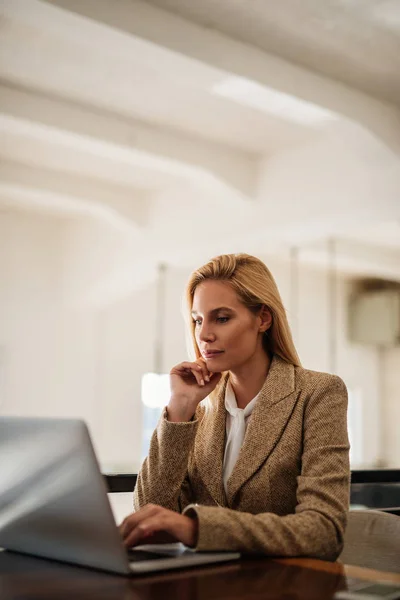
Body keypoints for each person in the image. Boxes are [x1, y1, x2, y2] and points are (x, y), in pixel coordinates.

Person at [120, 253, 350, 560]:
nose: (203, 334)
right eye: (198, 319)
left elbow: (323, 532)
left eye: (222, 318)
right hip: (208, 584)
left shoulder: (318, 393)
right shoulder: (200, 410)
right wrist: (180, 407)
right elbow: (152, 513)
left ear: (263, 319)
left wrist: (198, 529)